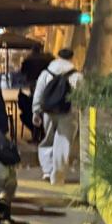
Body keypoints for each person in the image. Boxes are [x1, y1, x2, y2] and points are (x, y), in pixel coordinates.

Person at [32, 48, 83, 185]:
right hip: (68, 112)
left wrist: (36, 111)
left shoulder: (46, 73)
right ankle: (58, 175)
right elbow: (81, 97)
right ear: (72, 58)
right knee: (63, 143)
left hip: (49, 111)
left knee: (47, 140)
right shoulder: (77, 75)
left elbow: (39, 92)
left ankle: (47, 170)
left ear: (57, 56)